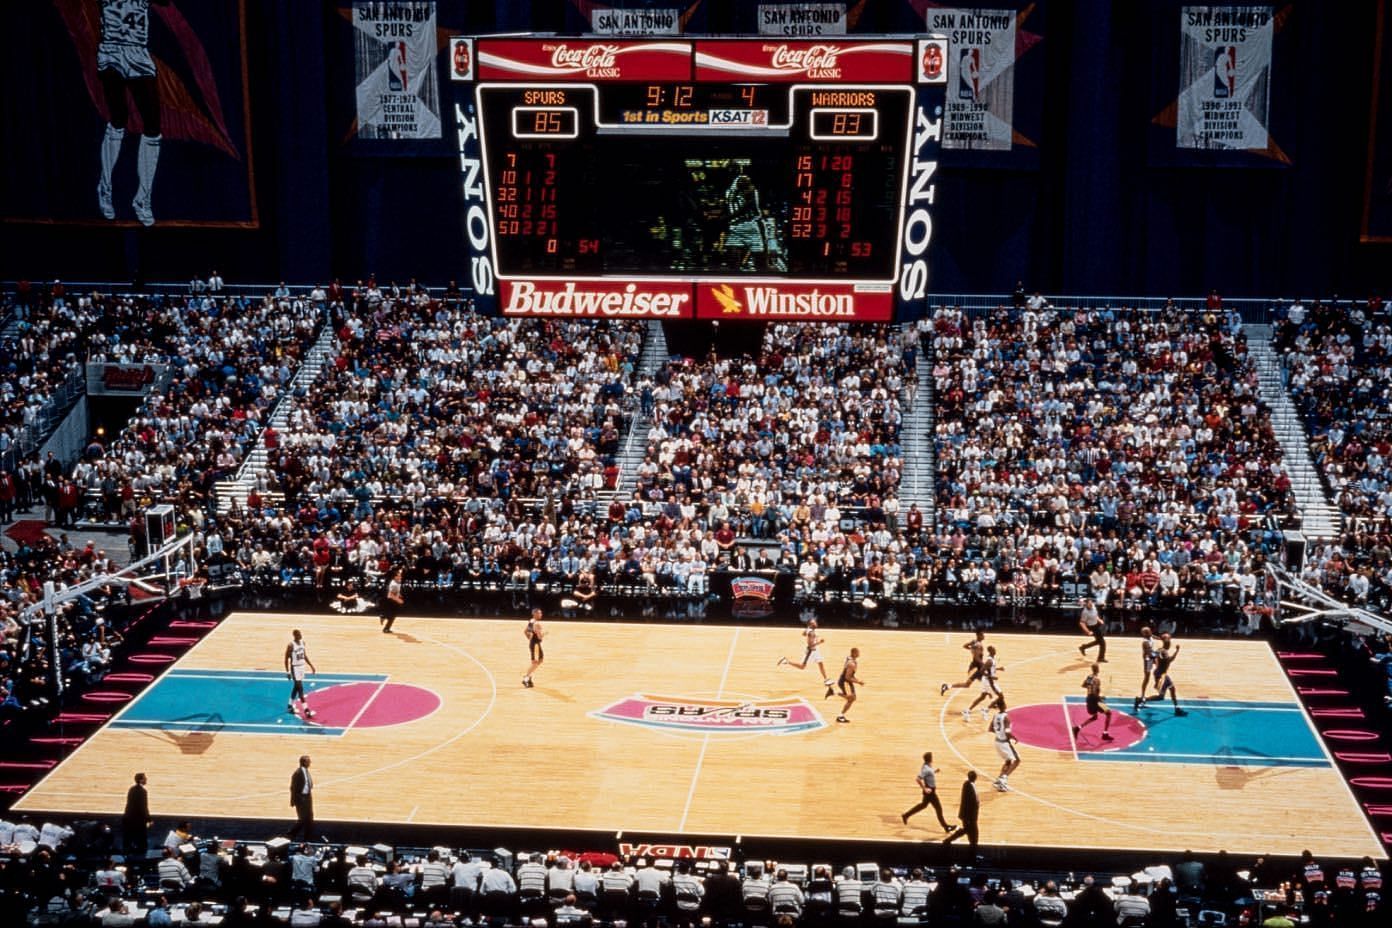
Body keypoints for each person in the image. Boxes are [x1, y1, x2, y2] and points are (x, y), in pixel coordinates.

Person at [95, 0, 167, 226]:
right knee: (118, 119)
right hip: (112, 49)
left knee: (153, 127)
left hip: (138, 51)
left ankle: (142, 198)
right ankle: (105, 188)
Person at [901, 751, 953, 832]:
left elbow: (929, 773)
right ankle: (946, 827)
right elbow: (918, 779)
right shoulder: (926, 769)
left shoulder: (927, 766)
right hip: (930, 792)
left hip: (930, 791)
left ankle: (906, 815)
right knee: (938, 809)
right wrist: (924, 788)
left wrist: (935, 771)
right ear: (930, 759)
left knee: (923, 805)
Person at [779, 617, 834, 689]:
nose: (816, 623)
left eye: (815, 622)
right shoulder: (811, 633)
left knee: (821, 664)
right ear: (811, 625)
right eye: (814, 623)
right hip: (810, 651)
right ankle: (786, 661)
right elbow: (810, 645)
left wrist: (807, 629)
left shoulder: (810, 630)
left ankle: (826, 680)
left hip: (815, 651)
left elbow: (803, 633)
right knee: (802, 667)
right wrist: (820, 642)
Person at [1073, 663, 1115, 743]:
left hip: (1088, 698)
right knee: (1109, 713)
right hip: (1094, 699)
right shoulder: (1097, 680)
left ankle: (1077, 728)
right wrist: (1100, 698)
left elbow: (1083, 685)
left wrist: (1090, 688)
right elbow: (1096, 693)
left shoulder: (1089, 677)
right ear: (1098, 670)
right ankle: (1105, 734)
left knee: (1094, 717)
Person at [942, 770, 980, 858]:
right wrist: (967, 818)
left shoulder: (969, 785)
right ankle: (973, 854)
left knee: (967, 832)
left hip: (971, 816)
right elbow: (967, 803)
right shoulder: (968, 786)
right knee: (973, 834)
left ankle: (948, 841)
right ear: (975, 778)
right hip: (969, 816)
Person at [1152, 633, 1189, 716]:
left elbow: (1153, 656)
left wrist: (1156, 662)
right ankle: (1141, 700)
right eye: (1169, 643)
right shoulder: (1163, 652)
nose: (1170, 644)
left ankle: (1177, 709)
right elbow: (1170, 660)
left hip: (1162, 674)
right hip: (1161, 675)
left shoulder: (1160, 650)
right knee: (1160, 697)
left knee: (1172, 689)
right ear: (1167, 644)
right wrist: (1177, 650)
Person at [941, 629, 986, 696]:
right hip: (976, 668)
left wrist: (971, 649)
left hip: (976, 666)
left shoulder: (974, 641)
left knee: (986, 682)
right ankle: (947, 686)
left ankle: (947, 686)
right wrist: (984, 664)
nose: (984, 636)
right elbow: (977, 658)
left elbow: (964, 646)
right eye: (982, 634)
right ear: (978, 635)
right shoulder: (978, 645)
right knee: (968, 684)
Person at [964, 645, 1003, 721]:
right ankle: (986, 710)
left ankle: (968, 710)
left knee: (982, 697)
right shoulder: (989, 661)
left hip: (987, 680)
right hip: (989, 681)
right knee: (1001, 696)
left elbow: (991, 668)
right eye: (994, 649)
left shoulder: (992, 659)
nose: (995, 650)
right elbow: (981, 671)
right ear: (991, 651)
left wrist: (999, 669)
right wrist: (991, 677)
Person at [284, 629, 317, 719]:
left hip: (302, 667)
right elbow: (286, 659)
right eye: (298, 634)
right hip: (295, 668)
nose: (300, 635)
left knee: (296, 687)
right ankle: (306, 710)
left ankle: (289, 706)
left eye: (300, 633)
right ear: (294, 636)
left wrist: (311, 665)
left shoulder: (303, 642)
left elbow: (304, 655)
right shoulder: (290, 645)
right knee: (300, 689)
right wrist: (287, 672)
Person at [990, 698, 1021, 792]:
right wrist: (1014, 737)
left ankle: (998, 780)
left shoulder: (995, 716)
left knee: (1008, 761)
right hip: (1004, 743)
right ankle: (1003, 779)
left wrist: (999, 732)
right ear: (1003, 705)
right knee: (1017, 760)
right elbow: (1007, 732)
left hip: (997, 742)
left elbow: (990, 729)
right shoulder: (1006, 717)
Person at [122, 771, 150, 857]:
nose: (146, 779)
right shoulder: (143, 791)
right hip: (138, 820)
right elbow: (143, 807)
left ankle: (126, 856)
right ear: (141, 780)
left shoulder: (131, 789)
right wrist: (149, 819)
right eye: (145, 778)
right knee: (142, 840)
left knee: (128, 839)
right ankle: (142, 858)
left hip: (128, 817)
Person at [288, 755, 315, 840]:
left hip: (307, 798)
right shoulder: (298, 773)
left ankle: (307, 838)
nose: (310, 763)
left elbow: (308, 783)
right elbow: (293, 788)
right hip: (301, 799)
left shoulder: (306, 771)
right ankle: (291, 834)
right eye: (308, 761)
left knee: (310, 819)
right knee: (303, 819)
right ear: (304, 762)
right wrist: (293, 801)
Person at [834, 647, 863, 723]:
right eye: (857, 652)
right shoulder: (851, 664)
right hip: (845, 682)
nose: (859, 654)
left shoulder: (850, 659)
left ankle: (841, 715)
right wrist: (858, 681)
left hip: (847, 681)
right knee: (851, 699)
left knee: (852, 698)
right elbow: (847, 677)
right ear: (853, 653)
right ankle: (840, 716)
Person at [1134, 626, 1158, 712]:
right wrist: (1157, 658)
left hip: (1152, 657)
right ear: (1144, 634)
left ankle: (1156, 683)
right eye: (1148, 632)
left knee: (1158, 671)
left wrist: (1161, 638)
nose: (1150, 632)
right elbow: (1150, 653)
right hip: (1148, 660)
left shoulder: (1150, 636)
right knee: (1147, 678)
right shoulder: (1145, 642)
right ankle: (1142, 695)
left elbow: (1154, 637)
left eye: (1150, 631)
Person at [1078, 597, 1107, 662]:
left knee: (1099, 641)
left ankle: (1083, 647)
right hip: (1092, 627)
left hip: (1097, 625)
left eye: (1091, 603)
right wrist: (1088, 631)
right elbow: (1082, 623)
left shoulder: (1093, 606)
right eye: (1089, 604)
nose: (1091, 605)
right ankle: (1101, 658)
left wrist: (1099, 620)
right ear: (1086, 604)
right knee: (1102, 643)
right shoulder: (1085, 612)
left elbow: (1095, 615)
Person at [523, 607, 545, 688]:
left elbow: (525, 631)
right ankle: (526, 677)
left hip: (532, 643)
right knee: (536, 662)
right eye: (539, 613)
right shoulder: (537, 624)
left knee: (539, 660)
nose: (541, 614)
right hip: (536, 644)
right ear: (534, 614)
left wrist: (530, 638)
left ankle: (529, 676)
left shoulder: (531, 621)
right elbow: (539, 637)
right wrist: (544, 634)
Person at [380, 567, 403, 633]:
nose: (400, 576)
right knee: (392, 615)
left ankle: (384, 620)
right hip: (391, 601)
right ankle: (384, 619)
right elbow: (390, 595)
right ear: (395, 577)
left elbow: (395, 592)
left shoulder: (397, 581)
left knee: (392, 615)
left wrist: (399, 594)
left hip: (392, 600)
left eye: (400, 575)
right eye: (399, 576)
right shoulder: (394, 584)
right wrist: (398, 600)